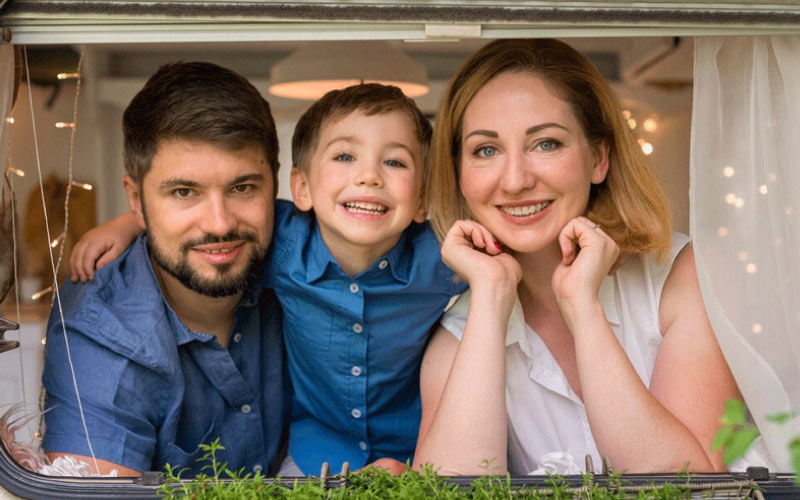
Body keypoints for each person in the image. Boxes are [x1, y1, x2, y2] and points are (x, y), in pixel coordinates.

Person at [69, 83, 466, 476]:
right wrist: (131, 224)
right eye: (345, 156)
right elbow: (199, 228)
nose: (369, 177)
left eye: (394, 162)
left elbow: (506, 237)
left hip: (415, 454)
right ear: (302, 188)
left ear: (423, 198)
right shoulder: (280, 240)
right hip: (312, 458)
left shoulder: (447, 254)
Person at [412, 38, 741, 476]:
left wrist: (582, 308)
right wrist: (491, 297)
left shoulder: (681, 278)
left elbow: (691, 483)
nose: (514, 181)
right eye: (486, 150)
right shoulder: (456, 336)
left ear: (598, 159)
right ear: (460, 175)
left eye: (546, 144)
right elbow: (448, 491)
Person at [42, 61, 287, 477]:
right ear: (135, 200)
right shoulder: (100, 328)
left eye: (242, 187)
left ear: (276, 185)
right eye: (183, 192)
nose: (220, 223)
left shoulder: (304, 249)